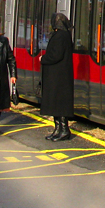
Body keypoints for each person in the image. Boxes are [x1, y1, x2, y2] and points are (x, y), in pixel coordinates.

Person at [40, 13, 74, 141]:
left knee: (59, 102)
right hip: (59, 75)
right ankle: (58, 129)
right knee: (56, 102)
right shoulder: (64, 34)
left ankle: (64, 130)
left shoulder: (60, 35)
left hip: (58, 76)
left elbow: (56, 55)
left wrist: (43, 58)